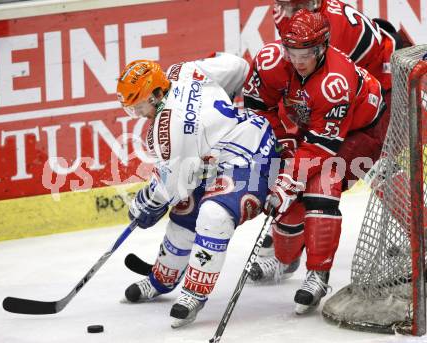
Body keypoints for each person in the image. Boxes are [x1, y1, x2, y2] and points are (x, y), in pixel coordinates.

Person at [116, 53, 278, 328]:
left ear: (155, 94)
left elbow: (171, 188)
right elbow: (238, 67)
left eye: (139, 105)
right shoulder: (183, 69)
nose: (138, 114)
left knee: (213, 215)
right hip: (224, 153)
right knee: (185, 211)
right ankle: (162, 279)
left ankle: (194, 292)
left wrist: (144, 205)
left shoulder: (164, 131)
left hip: (250, 156)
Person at [244, 0, 401, 283]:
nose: (289, 10)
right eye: (284, 3)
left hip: (380, 91)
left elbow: (328, 93)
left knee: (360, 168)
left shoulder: (332, 30)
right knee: (301, 168)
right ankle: (289, 248)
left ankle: (420, 239)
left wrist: (293, 176)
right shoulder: (289, 13)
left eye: (299, 4)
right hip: (338, 93)